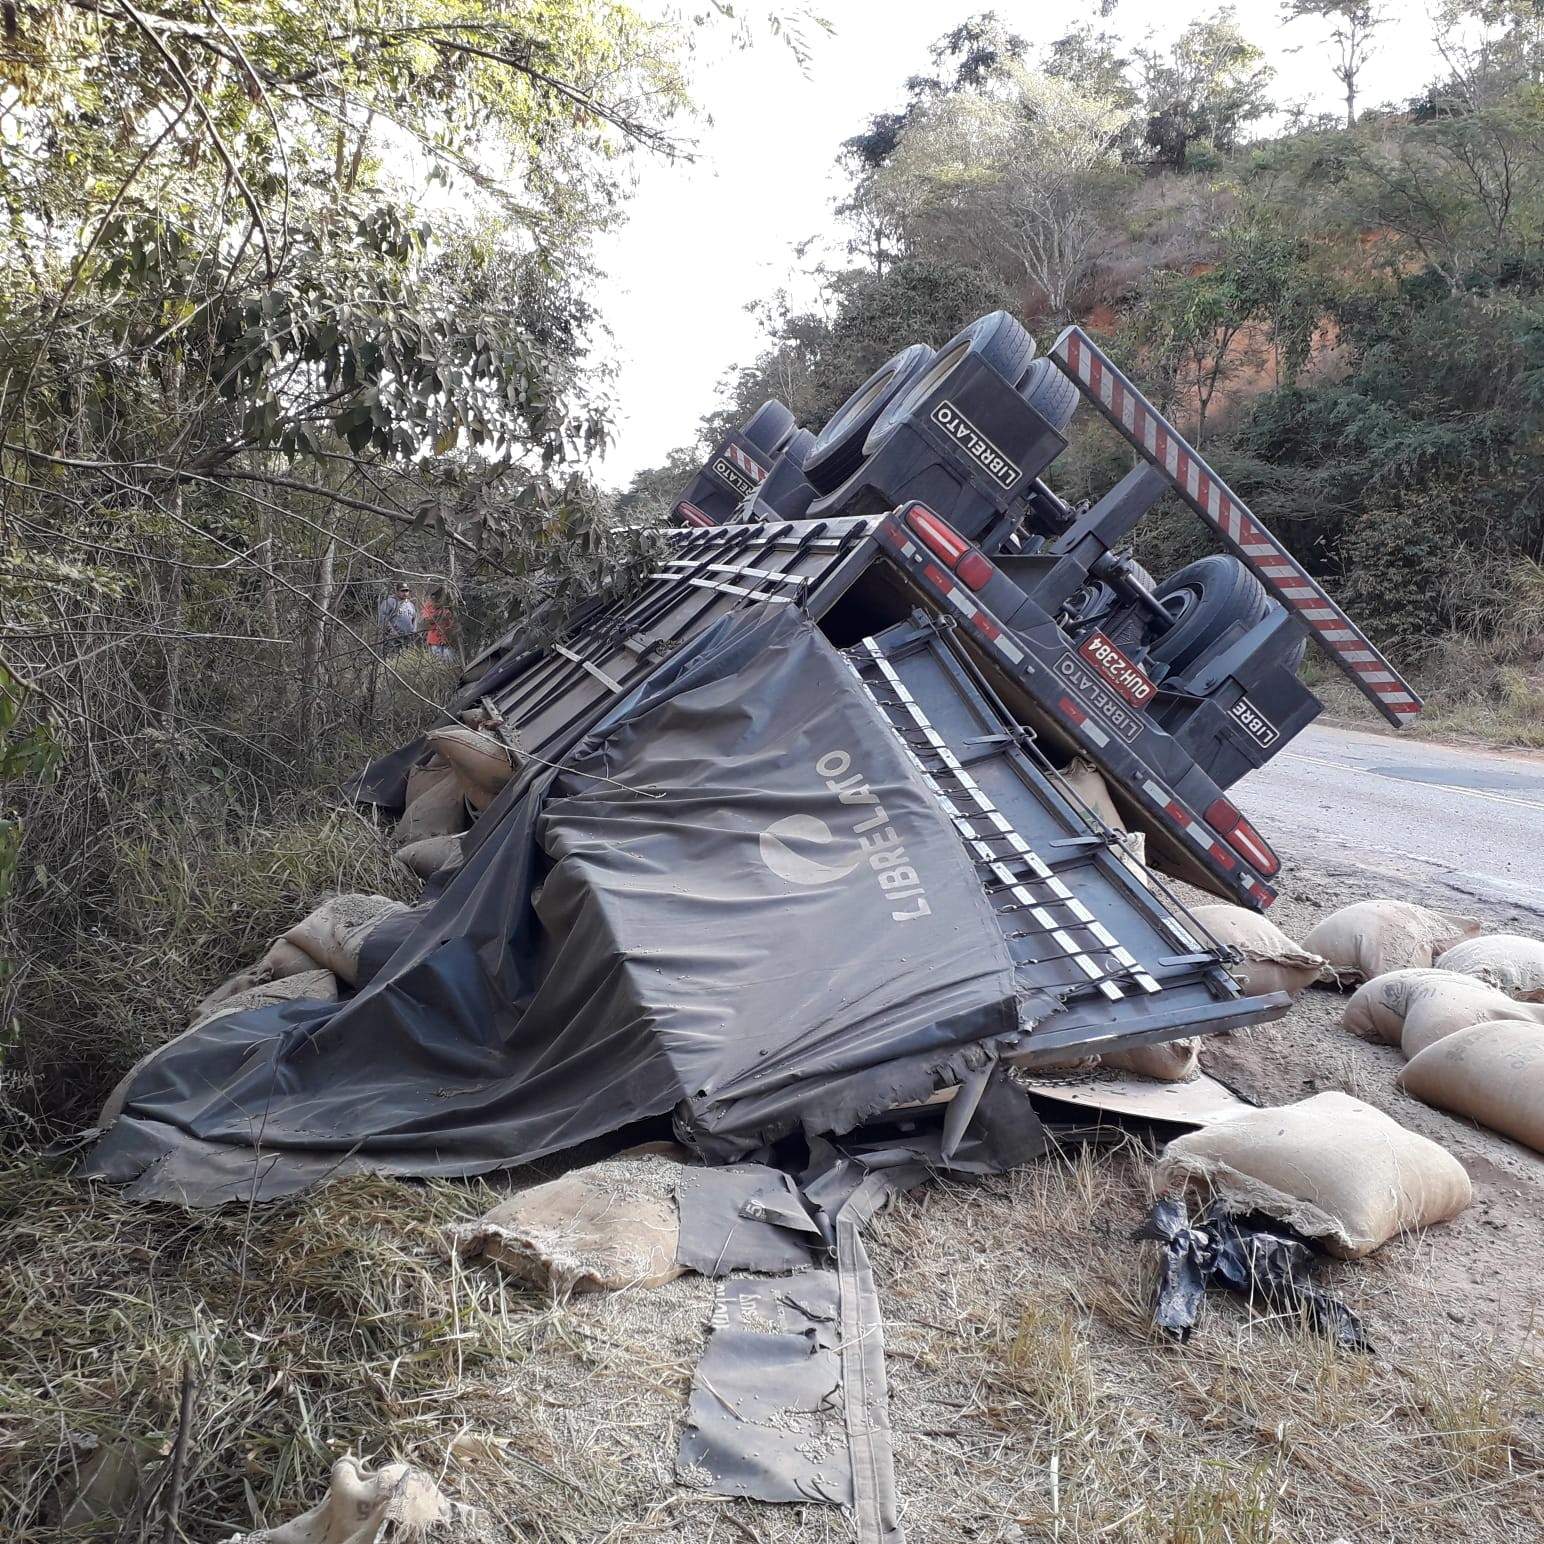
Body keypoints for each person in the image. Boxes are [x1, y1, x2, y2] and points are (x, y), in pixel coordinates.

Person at [420, 584, 456, 660]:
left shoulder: (449, 607)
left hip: (448, 641)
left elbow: (454, 622)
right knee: (437, 662)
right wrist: (438, 614)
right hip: (434, 641)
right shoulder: (428, 607)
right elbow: (427, 622)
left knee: (450, 664)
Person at [379, 582, 416, 653]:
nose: (405, 593)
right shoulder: (390, 602)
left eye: (406, 591)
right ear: (397, 591)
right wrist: (392, 631)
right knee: (392, 657)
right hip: (393, 638)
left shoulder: (410, 605)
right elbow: (383, 617)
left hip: (407, 638)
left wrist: (413, 631)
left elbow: (414, 619)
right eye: (402, 591)